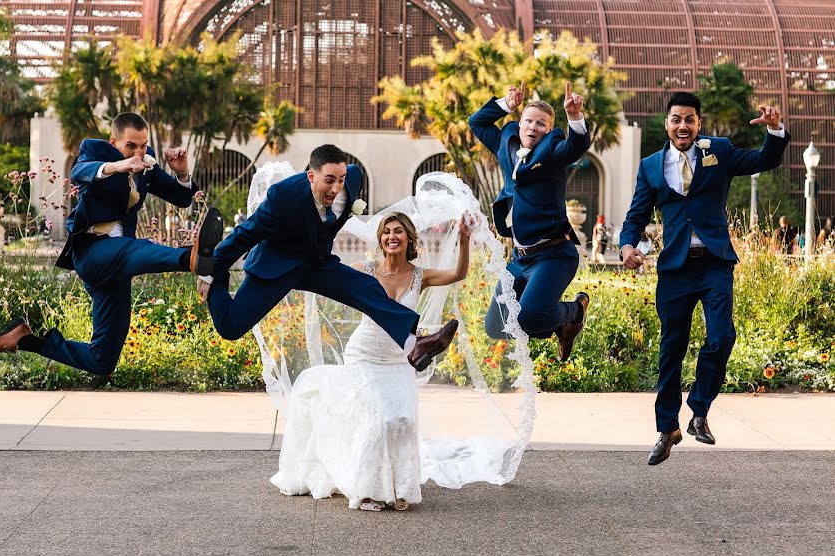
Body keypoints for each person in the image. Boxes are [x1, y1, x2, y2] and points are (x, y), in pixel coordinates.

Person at [0, 112, 224, 376]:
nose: (138, 152)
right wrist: (119, 166)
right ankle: (189, 259)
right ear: (113, 141)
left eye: (142, 145)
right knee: (131, 250)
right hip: (92, 253)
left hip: (116, 270)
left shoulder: (146, 165)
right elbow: (80, 171)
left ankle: (23, 339)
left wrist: (182, 173)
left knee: (102, 360)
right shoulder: (94, 150)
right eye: (131, 146)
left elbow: (182, 198)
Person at [619, 92, 789, 465]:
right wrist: (626, 245)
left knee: (721, 336)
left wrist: (775, 131)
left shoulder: (720, 151)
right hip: (675, 269)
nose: (683, 126)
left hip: (714, 263)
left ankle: (699, 409)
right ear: (667, 124)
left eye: (690, 120)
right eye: (677, 119)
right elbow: (635, 215)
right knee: (671, 349)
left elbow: (764, 158)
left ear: (699, 124)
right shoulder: (650, 166)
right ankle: (667, 429)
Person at [272, 210, 472, 511]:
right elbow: (329, 276)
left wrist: (464, 239)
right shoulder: (364, 270)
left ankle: (400, 488)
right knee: (380, 420)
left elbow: (459, 274)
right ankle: (364, 491)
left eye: (398, 231)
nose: (392, 236)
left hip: (399, 360)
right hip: (364, 356)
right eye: (386, 231)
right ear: (380, 239)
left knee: (403, 419)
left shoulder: (421, 276)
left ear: (409, 239)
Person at [197, 144, 458, 372]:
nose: (336, 188)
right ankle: (215, 271)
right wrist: (210, 270)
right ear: (311, 176)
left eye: (341, 179)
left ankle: (415, 345)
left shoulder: (351, 180)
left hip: (317, 263)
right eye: (329, 180)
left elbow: (346, 184)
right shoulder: (282, 198)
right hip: (277, 265)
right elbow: (244, 234)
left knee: (365, 286)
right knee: (231, 327)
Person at [470, 81, 592, 361]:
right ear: (520, 122)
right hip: (519, 258)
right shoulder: (506, 142)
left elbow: (574, 147)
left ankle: (574, 311)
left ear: (549, 130)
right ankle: (560, 325)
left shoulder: (553, 152)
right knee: (496, 326)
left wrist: (574, 116)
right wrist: (505, 104)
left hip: (553, 255)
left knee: (526, 319)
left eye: (541, 124)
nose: (533, 127)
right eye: (528, 120)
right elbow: (477, 123)